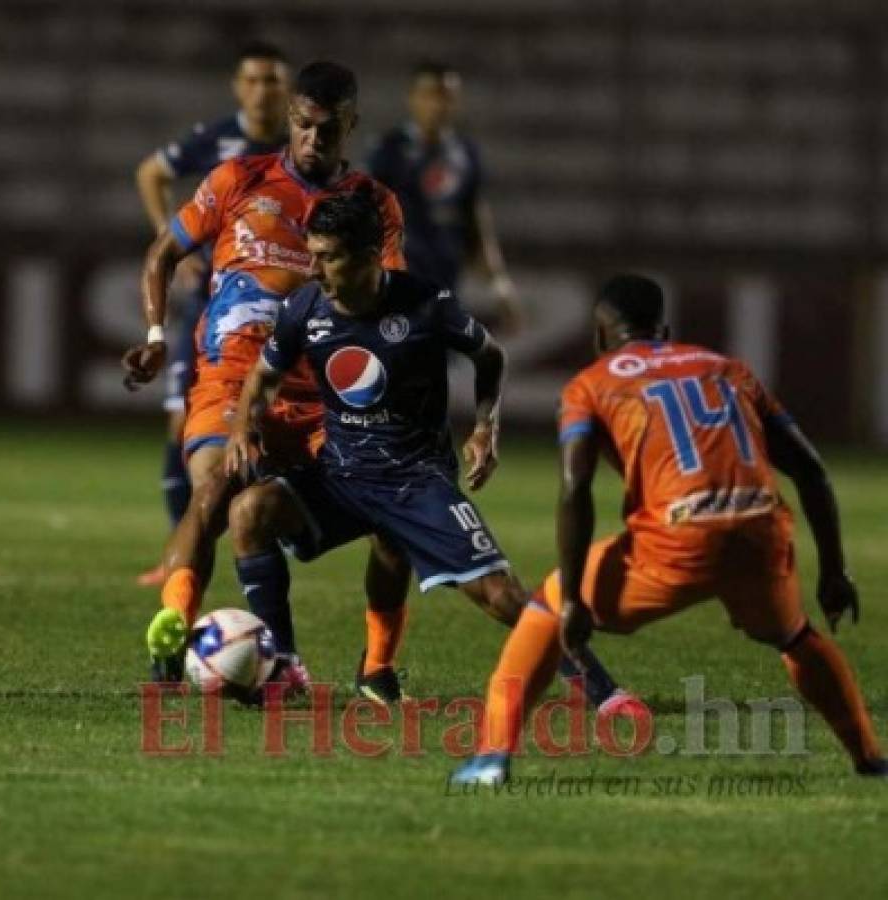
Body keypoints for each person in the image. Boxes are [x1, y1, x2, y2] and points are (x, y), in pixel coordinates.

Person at [452, 274, 885, 785]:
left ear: (599, 335)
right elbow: (811, 470)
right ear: (665, 329)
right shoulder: (728, 369)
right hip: (758, 531)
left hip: (676, 538)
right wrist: (833, 570)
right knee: (794, 636)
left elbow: (576, 489)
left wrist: (573, 597)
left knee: (543, 606)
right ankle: (869, 759)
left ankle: (490, 758)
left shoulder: (592, 383)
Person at [225, 191, 634, 710]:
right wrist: (244, 429)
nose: (316, 269)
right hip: (342, 474)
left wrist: (486, 426)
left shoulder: (425, 304)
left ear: (371, 254)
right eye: (312, 254)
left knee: (499, 593)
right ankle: (282, 664)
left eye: (329, 256)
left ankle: (602, 690)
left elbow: (489, 355)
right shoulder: (304, 307)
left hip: (415, 480)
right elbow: (262, 378)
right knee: (249, 512)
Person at [123, 61, 415, 699]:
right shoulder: (236, 180)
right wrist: (153, 337)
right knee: (215, 492)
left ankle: (378, 666)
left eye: (329, 130)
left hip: (325, 397)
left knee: (394, 519)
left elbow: (392, 298)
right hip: (230, 381)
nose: (314, 140)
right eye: (305, 126)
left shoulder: (373, 206)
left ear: (351, 126)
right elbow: (162, 254)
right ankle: (171, 632)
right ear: (290, 119)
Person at [132, 41, 290, 587]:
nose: (263, 90)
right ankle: (183, 551)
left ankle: (260, 529)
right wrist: (168, 235)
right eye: (254, 79)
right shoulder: (215, 139)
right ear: (238, 86)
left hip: (282, 316)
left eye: (273, 81)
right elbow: (150, 172)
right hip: (214, 306)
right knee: (184, 424)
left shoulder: (305, 150)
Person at [366, 61, 521, 330]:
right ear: (411, 99)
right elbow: (364, 213)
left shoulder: (465, 154)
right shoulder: (388, 151)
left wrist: (499, 284)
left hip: (446, 281)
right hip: (398, 282)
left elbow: (475, 217)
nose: (437, 105)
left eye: (445, 96)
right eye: (429, 95)